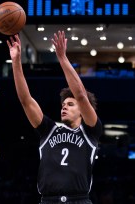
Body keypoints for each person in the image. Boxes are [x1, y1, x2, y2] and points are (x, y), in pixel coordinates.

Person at [7, 31, 102, 204]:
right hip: (48, 200)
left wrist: (62, 58)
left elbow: (80, 95)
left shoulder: (91, 131)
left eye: (70, 104)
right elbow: (25, 100)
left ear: (83, 110)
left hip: (79, 200)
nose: (64, 106)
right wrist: (16, 62)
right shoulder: (49, 130)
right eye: (63, 104)